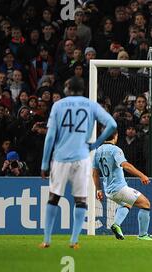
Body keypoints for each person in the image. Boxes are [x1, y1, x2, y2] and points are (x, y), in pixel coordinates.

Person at [40, 77, 117, 249]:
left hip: (60, 158)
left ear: (67, 87)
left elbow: (50, 136)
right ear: (82, 90)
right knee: (81, 200)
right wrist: (97, 143)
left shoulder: (58, 105)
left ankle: (47, 240)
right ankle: (74, 241)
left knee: (54, 197)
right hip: (82, 158)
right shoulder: (90, 105)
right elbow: (112, 124)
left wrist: (44, 163)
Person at [92, 130, 152, 241]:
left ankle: (116, 224)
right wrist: (142, 175)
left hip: (109, 191)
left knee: (126, 204)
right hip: (119, 188)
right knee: (146, 204)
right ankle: (143, 235)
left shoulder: (98, 151)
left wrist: (98, 190)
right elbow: (125, 165)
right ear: (116, 136)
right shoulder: (115, 150)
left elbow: (95, 173)